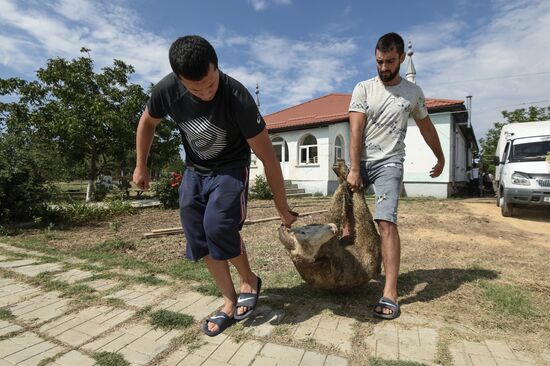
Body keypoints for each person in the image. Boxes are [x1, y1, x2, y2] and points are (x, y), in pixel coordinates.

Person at [133, 35, 297, 336]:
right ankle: (228, 299)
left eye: (211, 83)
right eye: (197, 88)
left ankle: (249, 280)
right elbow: (147, 122)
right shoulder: (167, 90)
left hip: (231, 167)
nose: (207, 92)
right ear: (180, 80)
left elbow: (268, 158)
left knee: (218, 225)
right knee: (197, 231)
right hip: (195, 169)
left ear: (216, 67)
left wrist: (281, 206)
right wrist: (140, 164)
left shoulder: (237, 97)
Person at [347, 32, 445, 320]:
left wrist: (440, 157)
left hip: (390, 161)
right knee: (344, 212)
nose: (384, 67)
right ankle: (350, 262)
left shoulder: (413, 93)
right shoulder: (363, 88)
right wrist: (354, 169)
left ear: (401, 58)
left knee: (386, 221)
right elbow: (355, 129)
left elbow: (427, 127)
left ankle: (390, 291)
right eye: (379, 61)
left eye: (390, 61)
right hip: (361, 159)